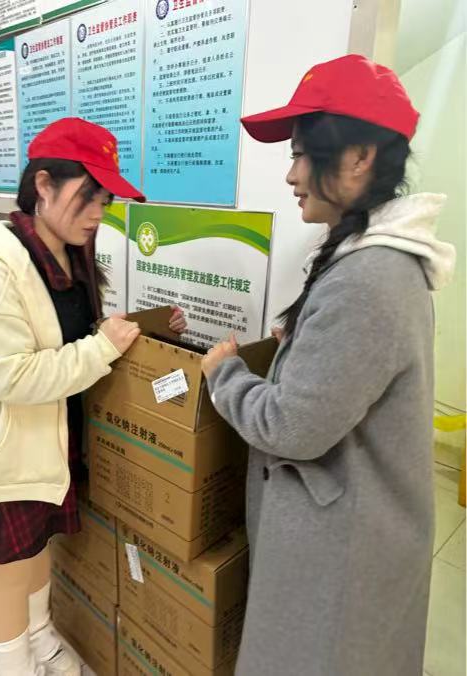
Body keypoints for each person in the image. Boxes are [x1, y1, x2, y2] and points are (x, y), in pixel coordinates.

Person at [201, 55, 456, 676]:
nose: (291, 175)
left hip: (342, 554)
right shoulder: (371, 261)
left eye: (300, 154)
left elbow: (291, 427)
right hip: (353, 537)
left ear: (360, 155)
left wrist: (224, 374)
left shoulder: (368, 277)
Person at [0, 117, 186, 676]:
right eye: (89, 197)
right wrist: (101, 348)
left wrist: (135, 330)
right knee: (6, 579)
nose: (97, 214)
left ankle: (41, 640)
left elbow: (71, 337)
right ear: (43, 184)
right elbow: (10, 377)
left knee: (39, 555)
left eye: (104, 202)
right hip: (7, 457)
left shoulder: (69, 251)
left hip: (51, 442)